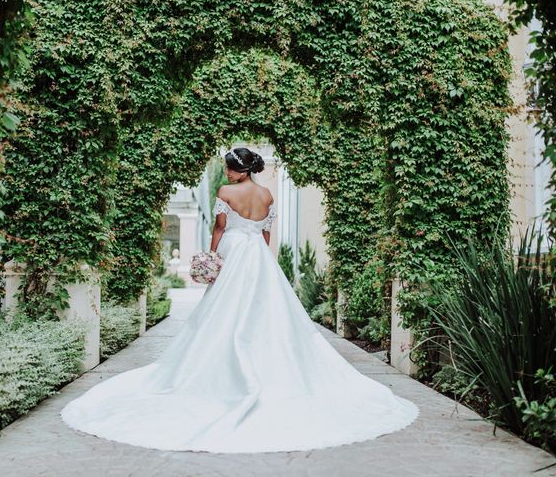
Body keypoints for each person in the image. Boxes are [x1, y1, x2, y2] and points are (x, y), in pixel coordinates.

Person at [60, 147, 419, 453]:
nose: (227, 172)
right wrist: (260, 258)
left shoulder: (226, 192)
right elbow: (265, 233)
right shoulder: (267, 196)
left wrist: (212, 257)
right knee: (266, 312)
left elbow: (218, 227)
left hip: (233, 250)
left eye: (229, 167)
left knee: (223, 311)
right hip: (258, 257)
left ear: (237, 169)